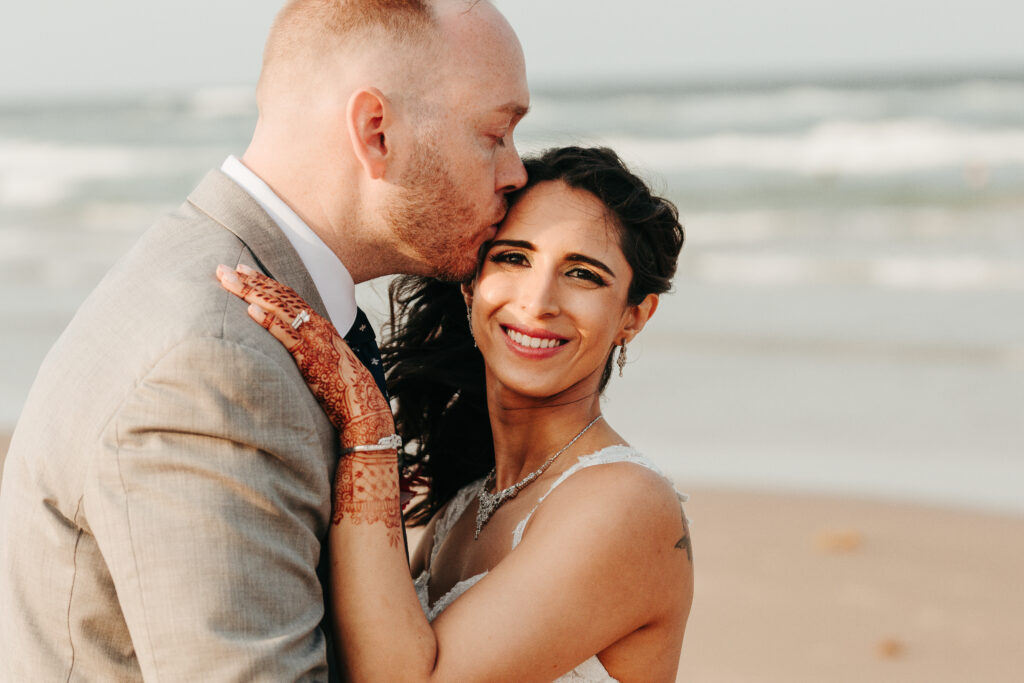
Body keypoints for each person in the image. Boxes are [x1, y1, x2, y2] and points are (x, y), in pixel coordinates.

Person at [0, 1, 528, 679]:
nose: (515, 171)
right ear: (377, 132)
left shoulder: (234, 294)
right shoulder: (216, 362)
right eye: (497, 133)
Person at [217, 146, 692, 681]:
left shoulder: (626, 503)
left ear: (633, 315)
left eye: (582, 274)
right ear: (470, 284)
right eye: (513, 258)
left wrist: (367, 430)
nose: (538, 302)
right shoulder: (462, 508)